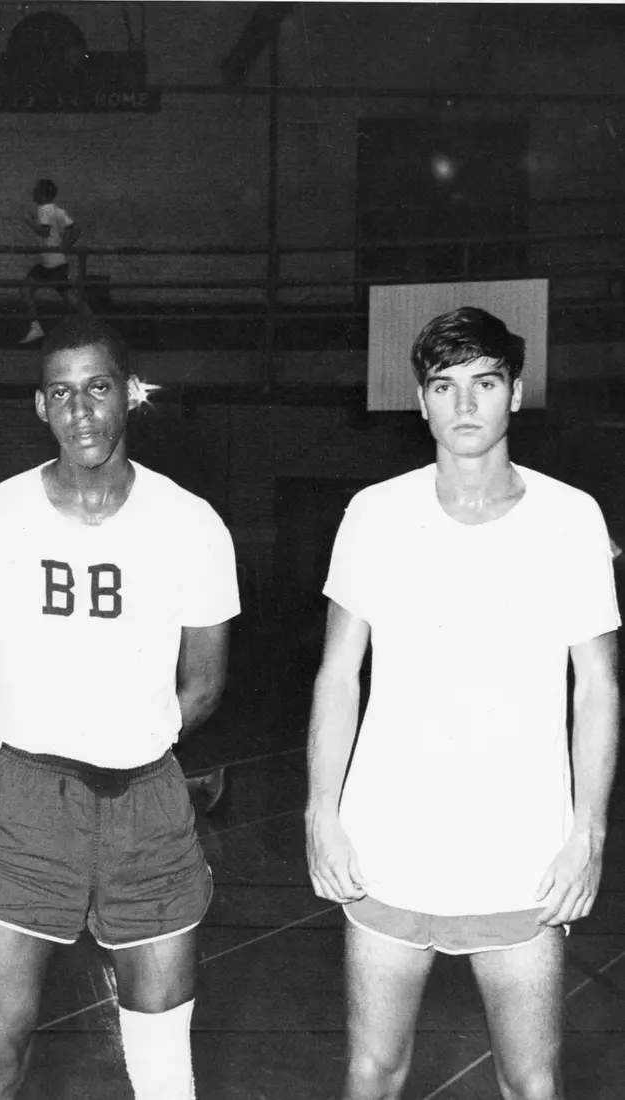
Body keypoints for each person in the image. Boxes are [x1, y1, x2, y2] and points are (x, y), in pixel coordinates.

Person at [305, 306, 619, 1100]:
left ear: (515, 393)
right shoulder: (375, 514)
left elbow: (599, 687)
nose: (466, 404)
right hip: (390, 842)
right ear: (421, 402)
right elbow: (339, 675)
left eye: (485, 382)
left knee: (532, 1080)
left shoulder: (571, 518)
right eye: (445, 386)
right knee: (373, 1071)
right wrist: (321, 812)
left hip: (520, 854)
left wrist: (589, 829)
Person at [0, 316, 240, 1099]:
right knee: (1, 1041)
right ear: (41, 407)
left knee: (164, 1060)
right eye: (62, 393)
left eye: (98, 388)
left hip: (149, 801)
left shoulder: (191, 522)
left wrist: (134, 739)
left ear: (129, 396)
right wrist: (14, 751)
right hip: (26, 801)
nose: (81, 411)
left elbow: (205, 681)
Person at [19, 178, 88, 346]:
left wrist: (29, 221)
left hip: (53, 265)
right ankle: (36, 328)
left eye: (36, 190)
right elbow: (76, 229)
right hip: (51, 263)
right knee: (26, 289)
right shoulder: (56, 209)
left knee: (70, 298)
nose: (33, 193)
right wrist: (66, 245)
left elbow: (43, 232)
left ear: (42, 194)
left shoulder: (43, 210)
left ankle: (93, 325)